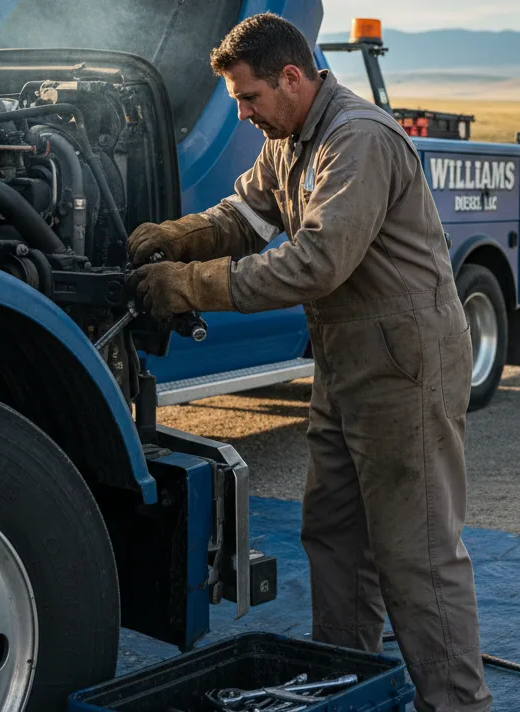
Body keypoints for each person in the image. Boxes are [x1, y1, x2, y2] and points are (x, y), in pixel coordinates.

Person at [125, 13, 492, 712]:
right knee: (335, 533)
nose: (244, 112)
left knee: (415, 553)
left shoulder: (356, 139)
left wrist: (194, 284)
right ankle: (351, 683)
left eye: (248, 97)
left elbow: (317, 262)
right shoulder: (291, 138)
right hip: (347, 361)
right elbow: (247, 216)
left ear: (291, 77)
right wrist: (184, 235)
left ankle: (457, 705)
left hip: (403, 365)